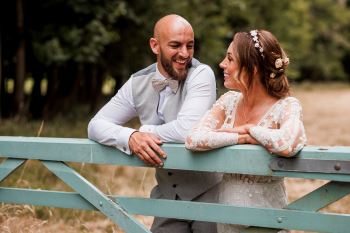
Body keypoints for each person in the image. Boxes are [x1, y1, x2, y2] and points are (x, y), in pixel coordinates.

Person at [88, 14, 222, 233]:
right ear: (154, 45)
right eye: (175, 45)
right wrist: (130, 138)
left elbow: (187, 130)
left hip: (210, 194)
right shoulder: (137, 82)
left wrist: (145, 131)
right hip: (166, 195)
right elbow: (95, 125)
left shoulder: (201, 74)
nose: (185, 54)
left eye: (190, 45)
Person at [185, 29, 307, 233]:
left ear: (254, 68)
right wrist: (239, 135)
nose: (222, 64)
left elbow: (287, 143)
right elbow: (193, 139)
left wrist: (252, 130)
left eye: (230, 59)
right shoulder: (228, 102)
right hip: (226, 221)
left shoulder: (286, 106)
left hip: (268, 222)